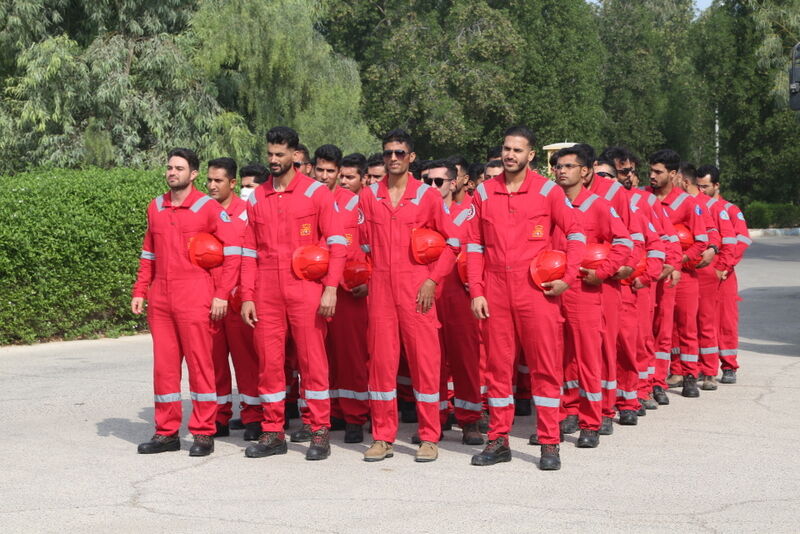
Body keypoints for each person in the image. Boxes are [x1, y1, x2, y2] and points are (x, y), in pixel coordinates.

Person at [467, 125, 585, 471]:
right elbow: (474, 246)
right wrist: (476, 290)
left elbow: (577, 232)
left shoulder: (549, 191)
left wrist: (568, 277)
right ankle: (499, 441)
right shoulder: (485, 193)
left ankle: (550, 443)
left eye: (518, 150)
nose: (510, 155)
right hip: (496, 291)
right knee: (497, 370)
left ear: (531, 155)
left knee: (545, 368)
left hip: (536, 291)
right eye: (506, 149)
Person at [240, 127, 347, 461]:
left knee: (312, 360)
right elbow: (247, 250)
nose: (273, 160)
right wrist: (247, 295)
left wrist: (330, 287)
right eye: (270, 154)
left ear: (296, 156)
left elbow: (337, 243)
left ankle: (318, 431)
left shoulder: (317, 193)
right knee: (269, 363)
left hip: (306, 287)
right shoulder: (257, 196)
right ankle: (273, 432)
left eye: (280, 154)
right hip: (267, 290)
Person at [359, 129, 463, 463]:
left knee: (426, 363)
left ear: (411, 157)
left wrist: (432, 280)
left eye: (399, 153)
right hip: (381, 289)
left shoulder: (427, 197)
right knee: (381, 364)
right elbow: (362, 244)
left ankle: (430, 436)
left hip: (417, 288)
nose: (393, 158)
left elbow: (452, 243)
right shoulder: (369, 196)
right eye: (388, 153)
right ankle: (382, 436)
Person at [132, 148, 242, 457]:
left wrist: (222, 293)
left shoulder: (208, 208)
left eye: (179, 168)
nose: (172, 172)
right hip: (161, 298)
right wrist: (140, 289)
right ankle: (166, 432)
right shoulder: (155, 207)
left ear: (193, 174)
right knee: (164, 369)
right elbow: (148, 254)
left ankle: (204, 432)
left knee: (200, 366)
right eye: (169, 167)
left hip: (195, 295)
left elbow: (233, 252)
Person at [551, 146, 632, 448]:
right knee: (557, 358)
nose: (561, 171)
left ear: (585, 172)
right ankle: (563, 414)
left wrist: (604, 272)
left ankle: (591, 421)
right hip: (552, 290)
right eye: (558, 166)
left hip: (584, 292)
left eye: (569, 166)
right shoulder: (550, 204)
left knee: (587, 358)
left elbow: (624, 242)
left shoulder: (598, 205)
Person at [314, 144, 371, 443]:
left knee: (351, 357)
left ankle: (354, 416)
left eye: (330, 171)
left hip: (349, 293)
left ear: (339, 173)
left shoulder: (354, 204)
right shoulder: (305, 200)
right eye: (319, 170)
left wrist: (369, 280)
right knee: (319, 358)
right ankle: (329, 412)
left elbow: (373, 245)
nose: (324, 176)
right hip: (313, 289)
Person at [203, 157, 263, 442]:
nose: (212, 186)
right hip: (211, 299)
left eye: (218, 181)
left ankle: (253, 416)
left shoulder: (248, 212)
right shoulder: (202, 212)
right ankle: (218, 416)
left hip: (239, 299)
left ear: (232, 183)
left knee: (247, 361)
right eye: (209, 180)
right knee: (213, 362)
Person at [426, 159, 485, 446]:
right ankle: (434, 421)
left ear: (453, 183)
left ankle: (470, 421)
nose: (433, 187)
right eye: (428, 181)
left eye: (439, 181)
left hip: (459, 296)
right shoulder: (420, 212)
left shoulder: (470, 212)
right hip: (427, 295)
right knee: (430, 361)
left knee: (465, 360)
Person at [646, 150, 708, 398]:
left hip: (681, 275)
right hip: (652, 274)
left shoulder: (687, 203)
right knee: (656, 329)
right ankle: (655, 380)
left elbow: (701, 242)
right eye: (650, 170)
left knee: (686, 327)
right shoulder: (643, 199)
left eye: (658, 172)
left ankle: (690, 375)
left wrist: (677, 261)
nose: (652, 176)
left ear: (673, 174)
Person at [678, 163, 736, 391]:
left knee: (706, 321)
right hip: (683, 270)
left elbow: (728, 240)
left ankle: (710, 370)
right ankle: (684, 369)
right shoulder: (678, 203)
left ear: (682, 180)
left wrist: (722, 267)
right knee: (683, 324)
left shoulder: (712, 206)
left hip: (705, 271)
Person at [696, 165, 751, 384]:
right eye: (698, 186)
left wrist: (725, 267)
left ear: (717, 185)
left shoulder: (730, 209)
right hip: (703, 273)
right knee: (702, 321)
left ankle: (729, 365)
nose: (701, 191)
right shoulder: (696, 207)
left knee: (726, 321)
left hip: (724, 275)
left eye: (705, 186)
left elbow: (742, 239)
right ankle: (702, 365)